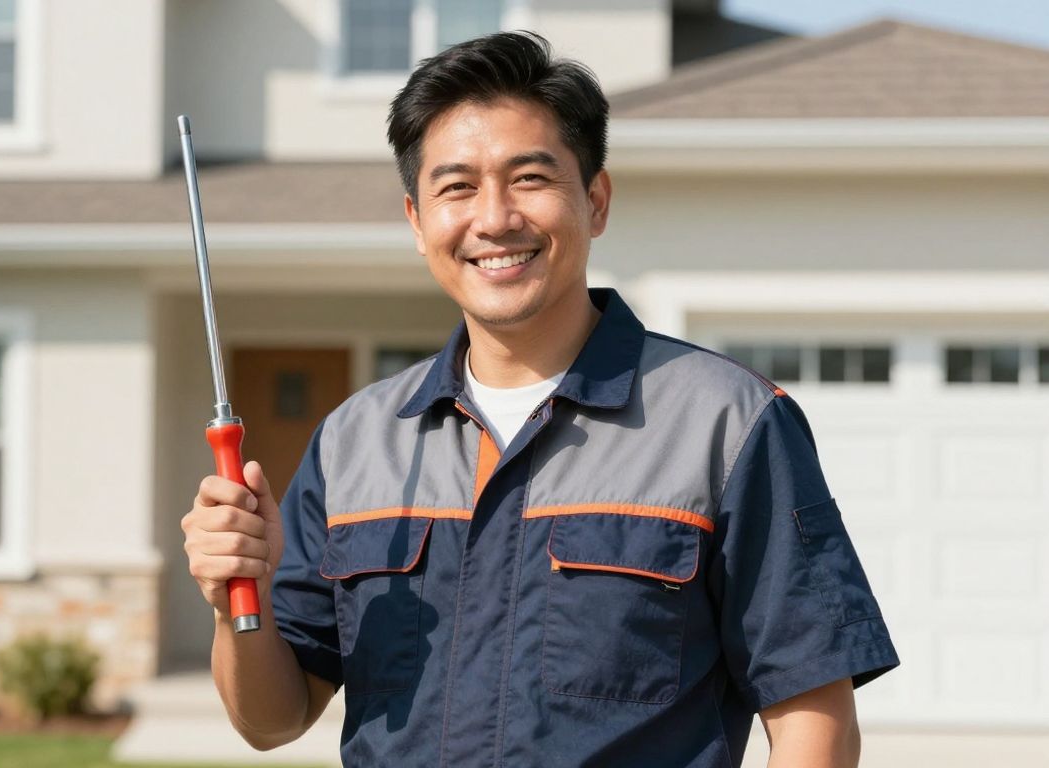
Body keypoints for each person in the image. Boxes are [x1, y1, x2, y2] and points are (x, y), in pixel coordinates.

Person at [181, 31, 898, 767]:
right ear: (416, 220)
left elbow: (816, 722)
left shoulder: (729, 424)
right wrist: (238, 600)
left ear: (595, 200)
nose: (494, 219)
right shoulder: (354, 442)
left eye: (529, 178)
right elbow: (271, 719)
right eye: (456, 187)